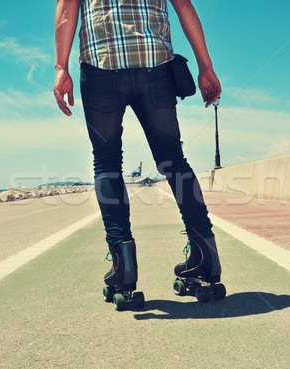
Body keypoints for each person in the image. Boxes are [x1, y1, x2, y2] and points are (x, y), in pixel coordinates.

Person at [54, 0, 222, 303]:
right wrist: (205, 67)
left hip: (100, 68)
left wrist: (61, 67)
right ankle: (205, 258)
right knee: (174, 161)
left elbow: (68, 9)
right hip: (155, 68)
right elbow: (184, 5)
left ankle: (124, 268)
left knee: (107, 164)